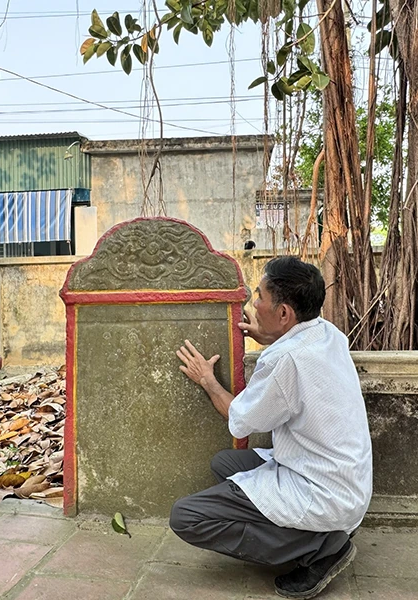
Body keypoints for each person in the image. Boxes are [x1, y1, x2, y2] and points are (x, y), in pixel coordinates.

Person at [172, 256, 373, 600]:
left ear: (284, 315)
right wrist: (272, 339)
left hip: (322, 492)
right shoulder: (328, 334)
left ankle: (319, 549)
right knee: (226, 464)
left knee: (186, 517)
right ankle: (323, 534)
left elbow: (240, 421)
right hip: (347, 485)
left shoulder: (285, 360)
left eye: (259, 296)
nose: (253, 303)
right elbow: (294, 361)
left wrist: (208, 380)